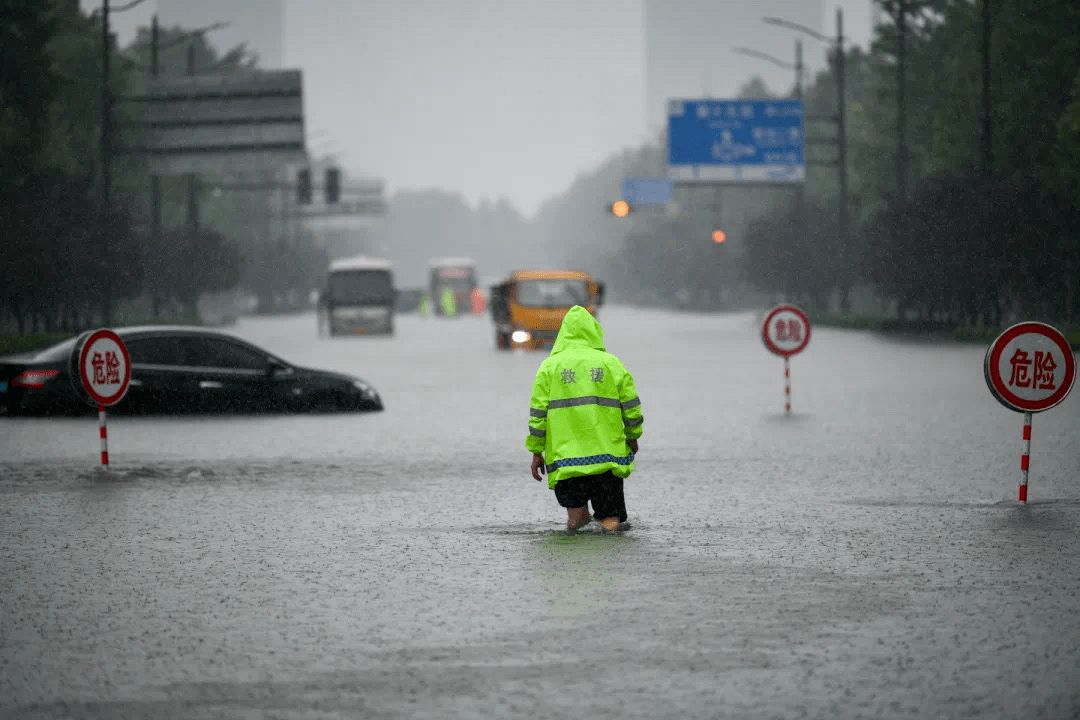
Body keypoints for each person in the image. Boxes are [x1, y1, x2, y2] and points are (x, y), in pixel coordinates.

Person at [526, 305, 643, 531]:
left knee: (576, 523)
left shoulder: (549, 368)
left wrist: (536, 451)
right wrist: (633, 436)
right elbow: (631, 406)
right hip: (606, 462)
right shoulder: (611, 364)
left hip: (566, 462)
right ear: (594, 331)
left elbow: (538, 415)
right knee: (610, 523)